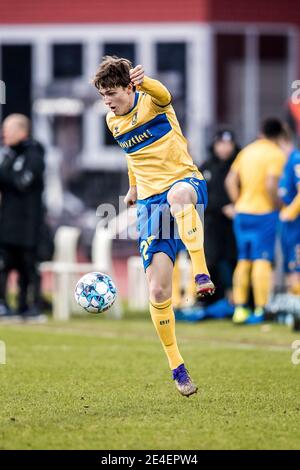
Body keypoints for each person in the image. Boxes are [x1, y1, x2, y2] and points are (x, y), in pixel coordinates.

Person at [92, 56, 215, 397]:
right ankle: (178, 367)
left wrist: (146, 81)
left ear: (130, 87)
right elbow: (133, 155)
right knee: (159, 291)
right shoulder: (111, 121)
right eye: (103, 95)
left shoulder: (152, 100)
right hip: (149, 203)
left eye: (112, 93)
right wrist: (133, 188)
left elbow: (164, 93)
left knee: (178, 196)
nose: (108, 101)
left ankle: (201, 273)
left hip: (184, 182)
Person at [225, 118, 285, 324]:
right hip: (264, 213)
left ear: (261, 131)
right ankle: (261, 309)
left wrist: (238, 200)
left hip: (242, 212)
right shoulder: (276, 154)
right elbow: (270, 184)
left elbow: (230, 180)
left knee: (243, 260)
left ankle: (240, 309)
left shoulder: (247, 151)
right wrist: (276, 204)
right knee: (262, 260)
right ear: (278, 135)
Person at [0, 114, 45, 318]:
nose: (4, 134)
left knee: (28, 267)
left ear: (22, 132)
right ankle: (4, 304)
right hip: (8, 223)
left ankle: (30, 305)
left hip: (28, 224)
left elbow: (22, 183)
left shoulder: (34, 154)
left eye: (8, 130)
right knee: (4, 265)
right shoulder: (9, 155)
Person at [200, 129, 239, 305]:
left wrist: (237, 206)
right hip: (212, 222)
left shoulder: (239, 165)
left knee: (234, 260)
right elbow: (200, 196)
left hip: (235, 222)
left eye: (228, 144)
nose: (224, 148)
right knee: (212, 259)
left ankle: (237, 300)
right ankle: (211, 300)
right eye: (221, 144)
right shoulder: (206, 166)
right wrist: (221, 207)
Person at [278, 127, 300, 295]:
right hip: (288, 224)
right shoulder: (285, 162)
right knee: (289, 265)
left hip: (296, 223)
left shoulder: (296, 160)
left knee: (295, 265)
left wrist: (290, 212)